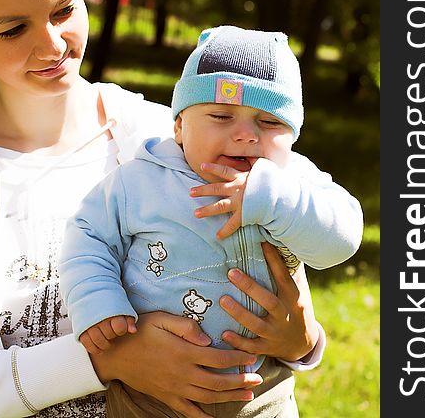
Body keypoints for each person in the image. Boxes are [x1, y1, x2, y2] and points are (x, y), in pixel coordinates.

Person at [0, 0, 326, 418]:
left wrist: (302, 341)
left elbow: (278, 246)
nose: (52, 45)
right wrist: (104, 361)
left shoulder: (163, 133)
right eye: (12, 29)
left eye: (64, 10)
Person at [59, 25, 363, 417]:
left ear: (293, 135)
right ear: (179, 126)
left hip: (261, 388)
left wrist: (272, 198)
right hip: (149, 393)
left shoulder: (294, 183)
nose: (246, 135)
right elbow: (87, 236)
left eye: (269, 122)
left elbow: (343, 239)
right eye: (221, 115)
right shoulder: (142, 180)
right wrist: (99, 304)